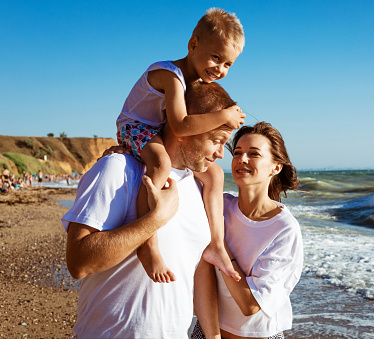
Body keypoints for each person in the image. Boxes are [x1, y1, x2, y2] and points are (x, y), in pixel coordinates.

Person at [62, 82, 237, 338]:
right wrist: (154, 220)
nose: (222, 153)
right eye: (217, 141)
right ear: (184, 130)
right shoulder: (118, 169)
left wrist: (213, 337)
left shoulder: (198, 187)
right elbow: (79, 262)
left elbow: (197, 270)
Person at [116, 7, 245, 284]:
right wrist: (224, 115)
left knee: (215, 174)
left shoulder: (196, 80)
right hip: (136, 127)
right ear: (193, 44)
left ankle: (217, 245)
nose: (220, 70)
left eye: (228, 64)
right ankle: (147, 245)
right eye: (216, 57)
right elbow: (181, 126)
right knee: (160, 164)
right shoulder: (171, 75)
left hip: (157, 130)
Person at [193, 122, 304, 339]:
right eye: (237, 153)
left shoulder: (284, 228)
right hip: (207, 332)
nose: (242, 159)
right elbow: (179, 167)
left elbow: (251, 305)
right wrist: (130, 152)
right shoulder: (219, 205)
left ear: (276, 167)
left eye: (254, 154)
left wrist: (220, 246)